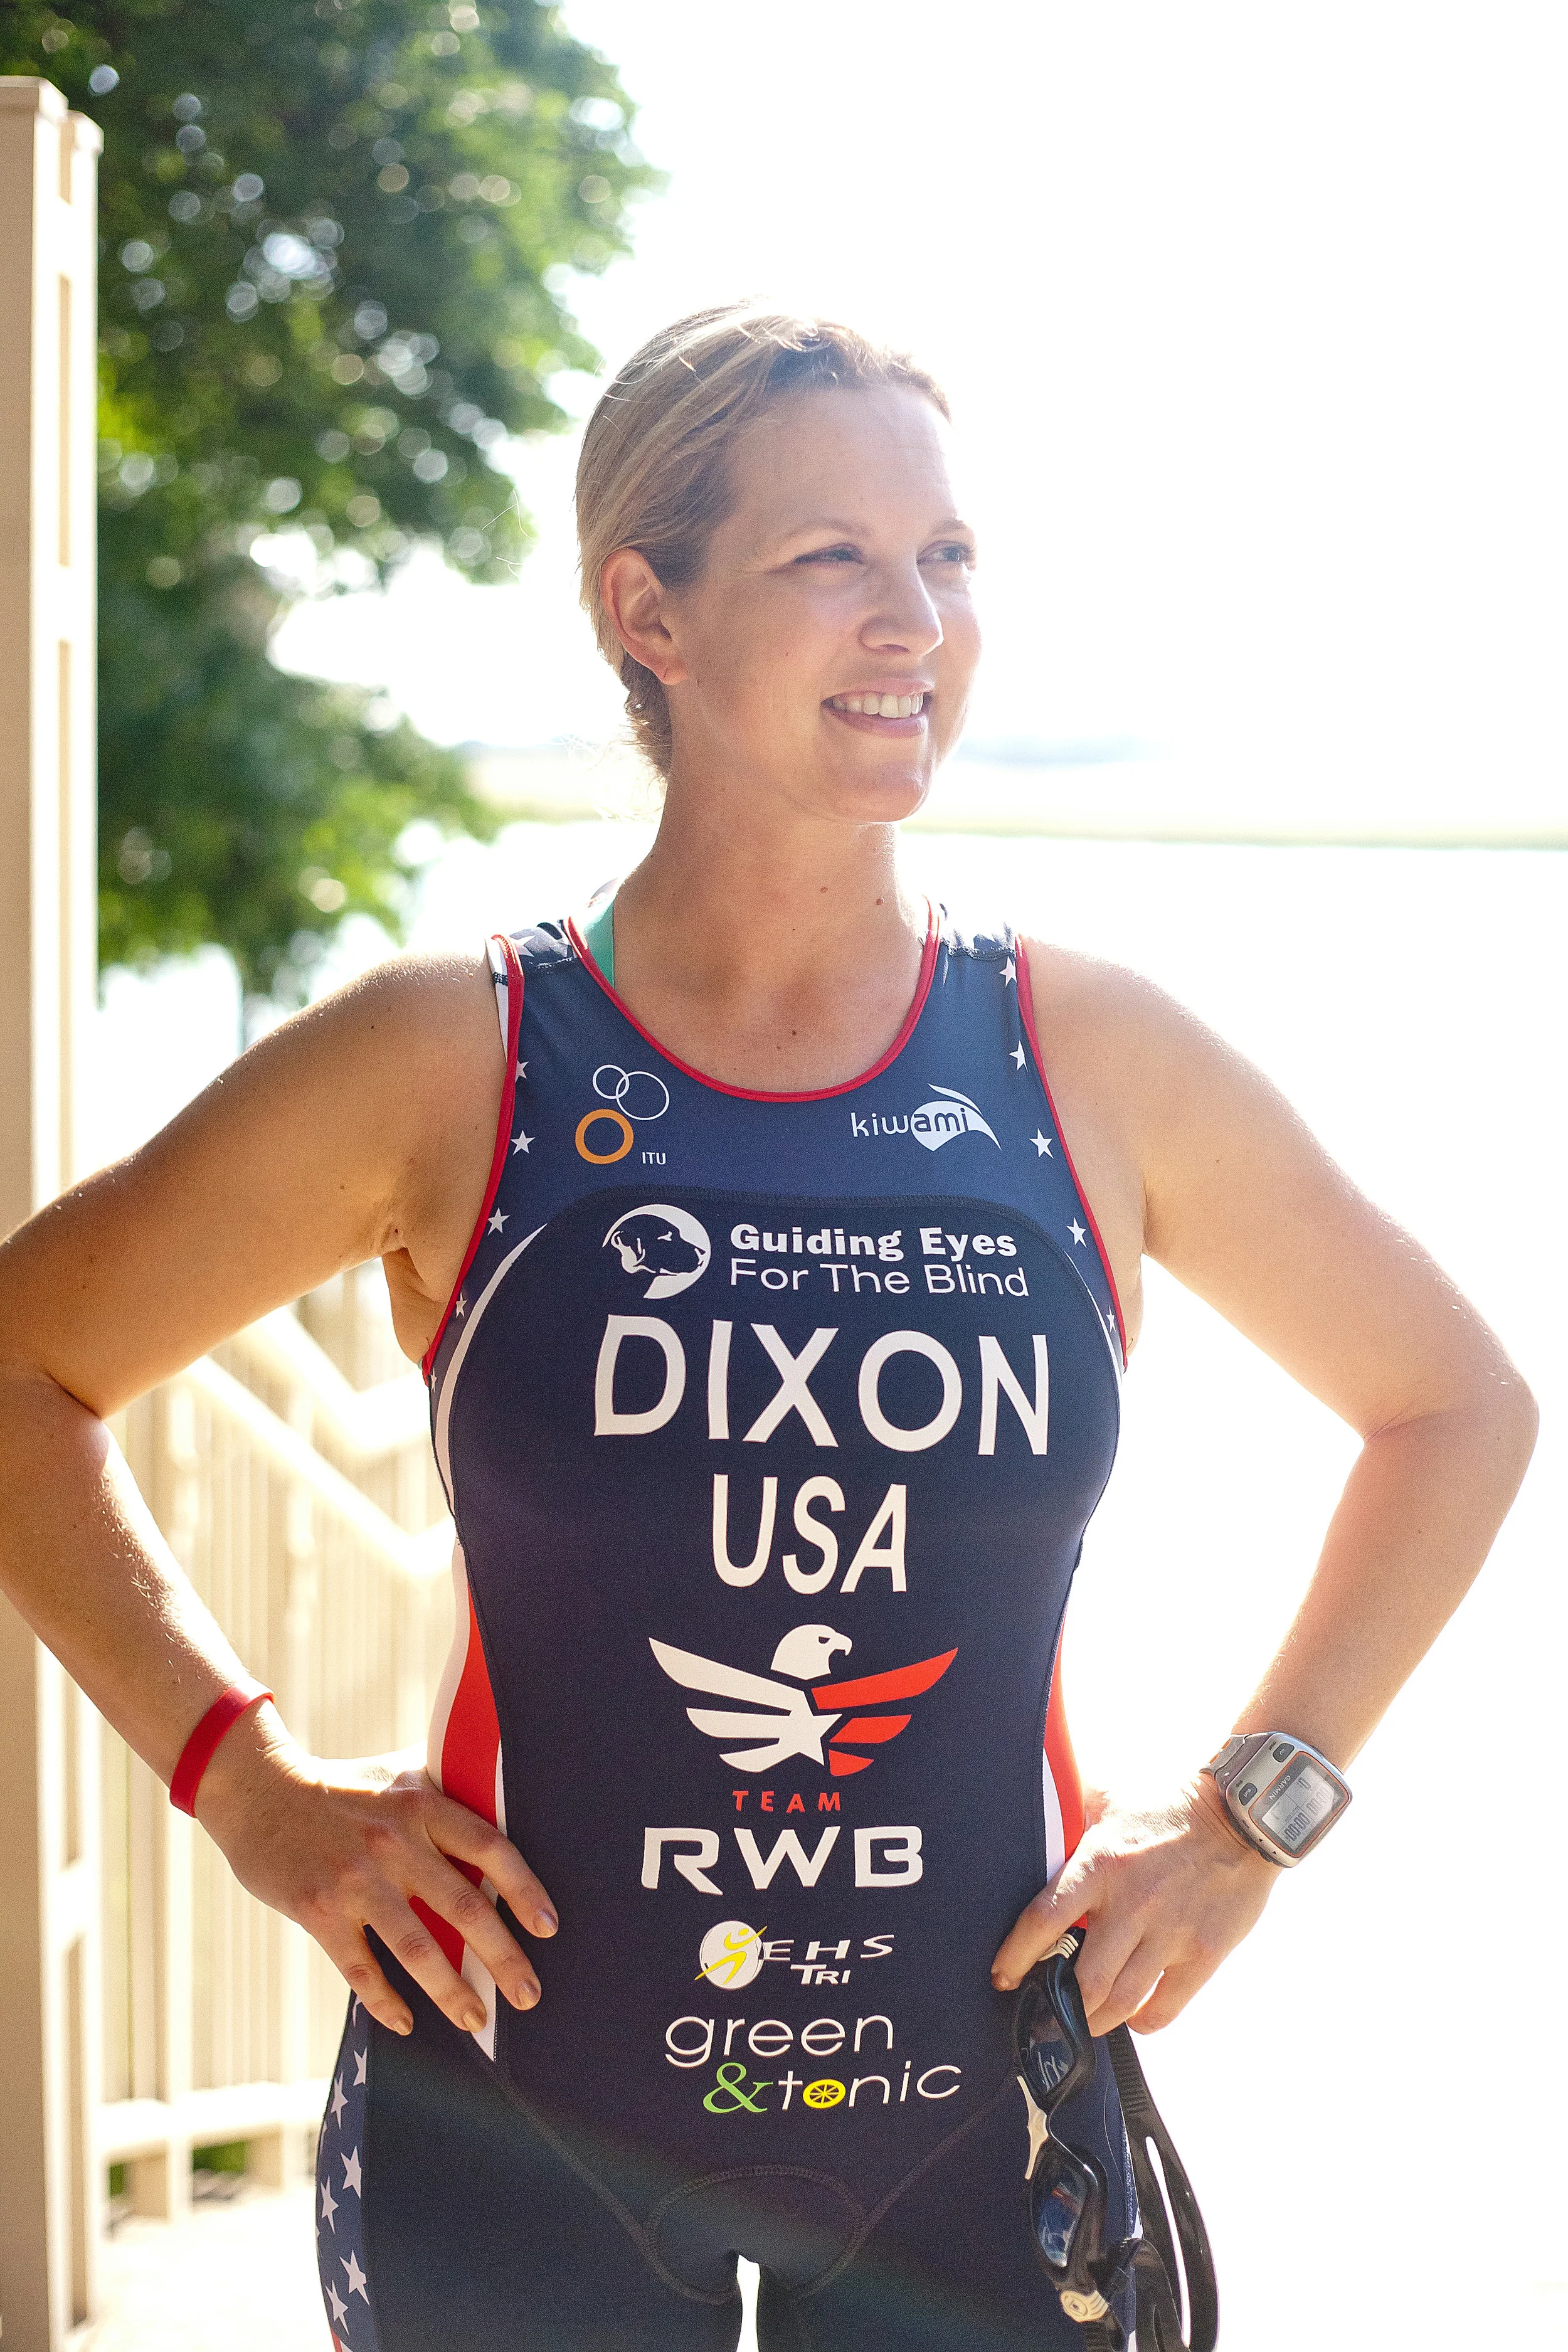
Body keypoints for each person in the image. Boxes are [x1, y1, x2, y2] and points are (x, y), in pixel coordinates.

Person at [0, 307, 1536, 2352]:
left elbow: (1454, 1403)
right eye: (832, 559)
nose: (914, 621)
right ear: (649, 608)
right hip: (515, 2127)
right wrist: (251, 1780)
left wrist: (1247, 1813)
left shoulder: (1089, 1057)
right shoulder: (456, 1057)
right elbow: (29, 1365)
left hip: (973, 2145)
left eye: (949, 557)